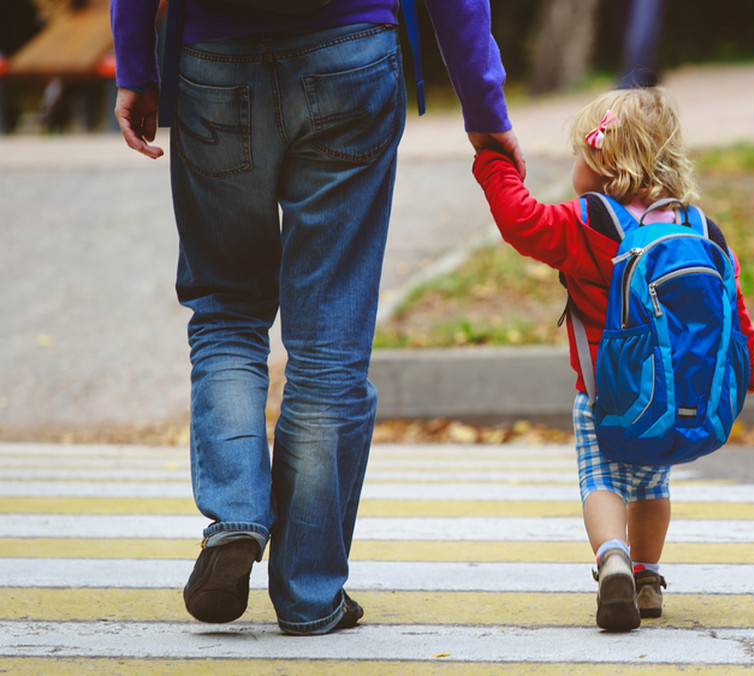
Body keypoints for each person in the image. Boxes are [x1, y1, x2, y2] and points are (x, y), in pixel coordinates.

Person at [110, 0, 523, 635]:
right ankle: (309, 594)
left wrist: (136, 66)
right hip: (351, 53)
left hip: (216, 59)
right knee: (329, 338)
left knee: (226, 309)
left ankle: (236, 518)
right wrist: (483, 105)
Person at [472, 87, 754, 631]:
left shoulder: (590, 223)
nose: (573, 167)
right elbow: (732, 301)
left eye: (579, 155)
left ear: (604, 163)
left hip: (603, 395)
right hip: (671, 396)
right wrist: (747, 369)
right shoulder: (699, 229)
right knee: (652, 486)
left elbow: (520, 221)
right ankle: (649, 576)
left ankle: (613, 561)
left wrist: (493, 163)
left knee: (600, 479)